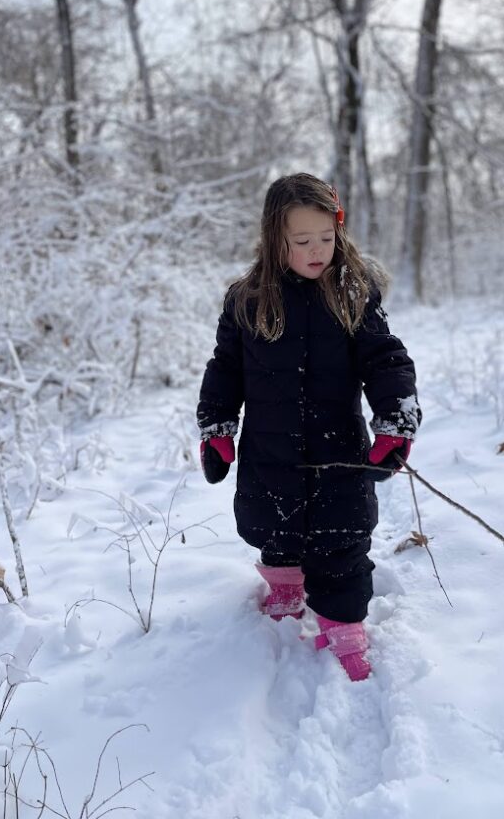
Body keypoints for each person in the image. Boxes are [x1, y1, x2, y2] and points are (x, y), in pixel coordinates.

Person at [196, 173, 421, 681]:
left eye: (326, 237)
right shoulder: (246, 301)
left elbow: (386, 360)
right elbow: (225, 368)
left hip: (338, 450)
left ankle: (345, 628)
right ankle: (284, 585)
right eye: (302, 241)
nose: (317, 250)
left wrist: (395, 421)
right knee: (274, 528)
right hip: (269, 453)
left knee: (341, 542)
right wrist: (216, 428)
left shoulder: (352, 292)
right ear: (276, 240)